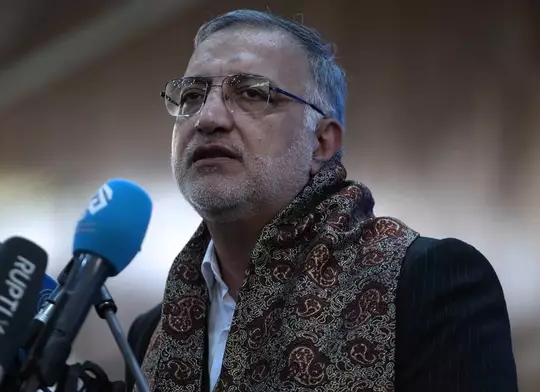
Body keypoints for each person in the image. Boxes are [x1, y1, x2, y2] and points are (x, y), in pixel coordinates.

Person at [126, 9, 519, 392]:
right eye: (192, 94)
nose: (207, 117)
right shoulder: (151, 334)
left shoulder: (430, 284)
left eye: (250, 93)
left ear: (322, 141)